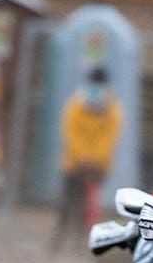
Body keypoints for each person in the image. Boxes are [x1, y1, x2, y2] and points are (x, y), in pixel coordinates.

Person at [53, 66, 123, 248]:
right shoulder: (76, 105)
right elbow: (70, 133)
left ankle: (81, 241)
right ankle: (59, 239)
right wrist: (82, 157)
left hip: (99, 165)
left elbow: (109, 138)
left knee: (88, 205)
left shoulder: (112, 109)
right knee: (67, 203)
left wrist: (95, 159)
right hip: (73, 163)